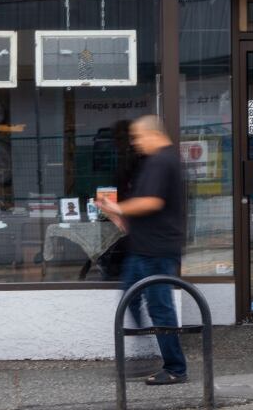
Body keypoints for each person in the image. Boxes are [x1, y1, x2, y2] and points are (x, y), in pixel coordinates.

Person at [96, 114, 188, 385]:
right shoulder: (158, 160)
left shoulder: (162, 160)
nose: (135, 143)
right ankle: (147, 354)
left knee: (160, 308)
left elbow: (151, 201)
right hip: (144, 247)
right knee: (130, 298)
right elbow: (148, 205)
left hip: (157, 249)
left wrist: (118, 208)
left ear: (152, 134)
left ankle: (176, 368)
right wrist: (122, 218)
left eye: (137, 137)